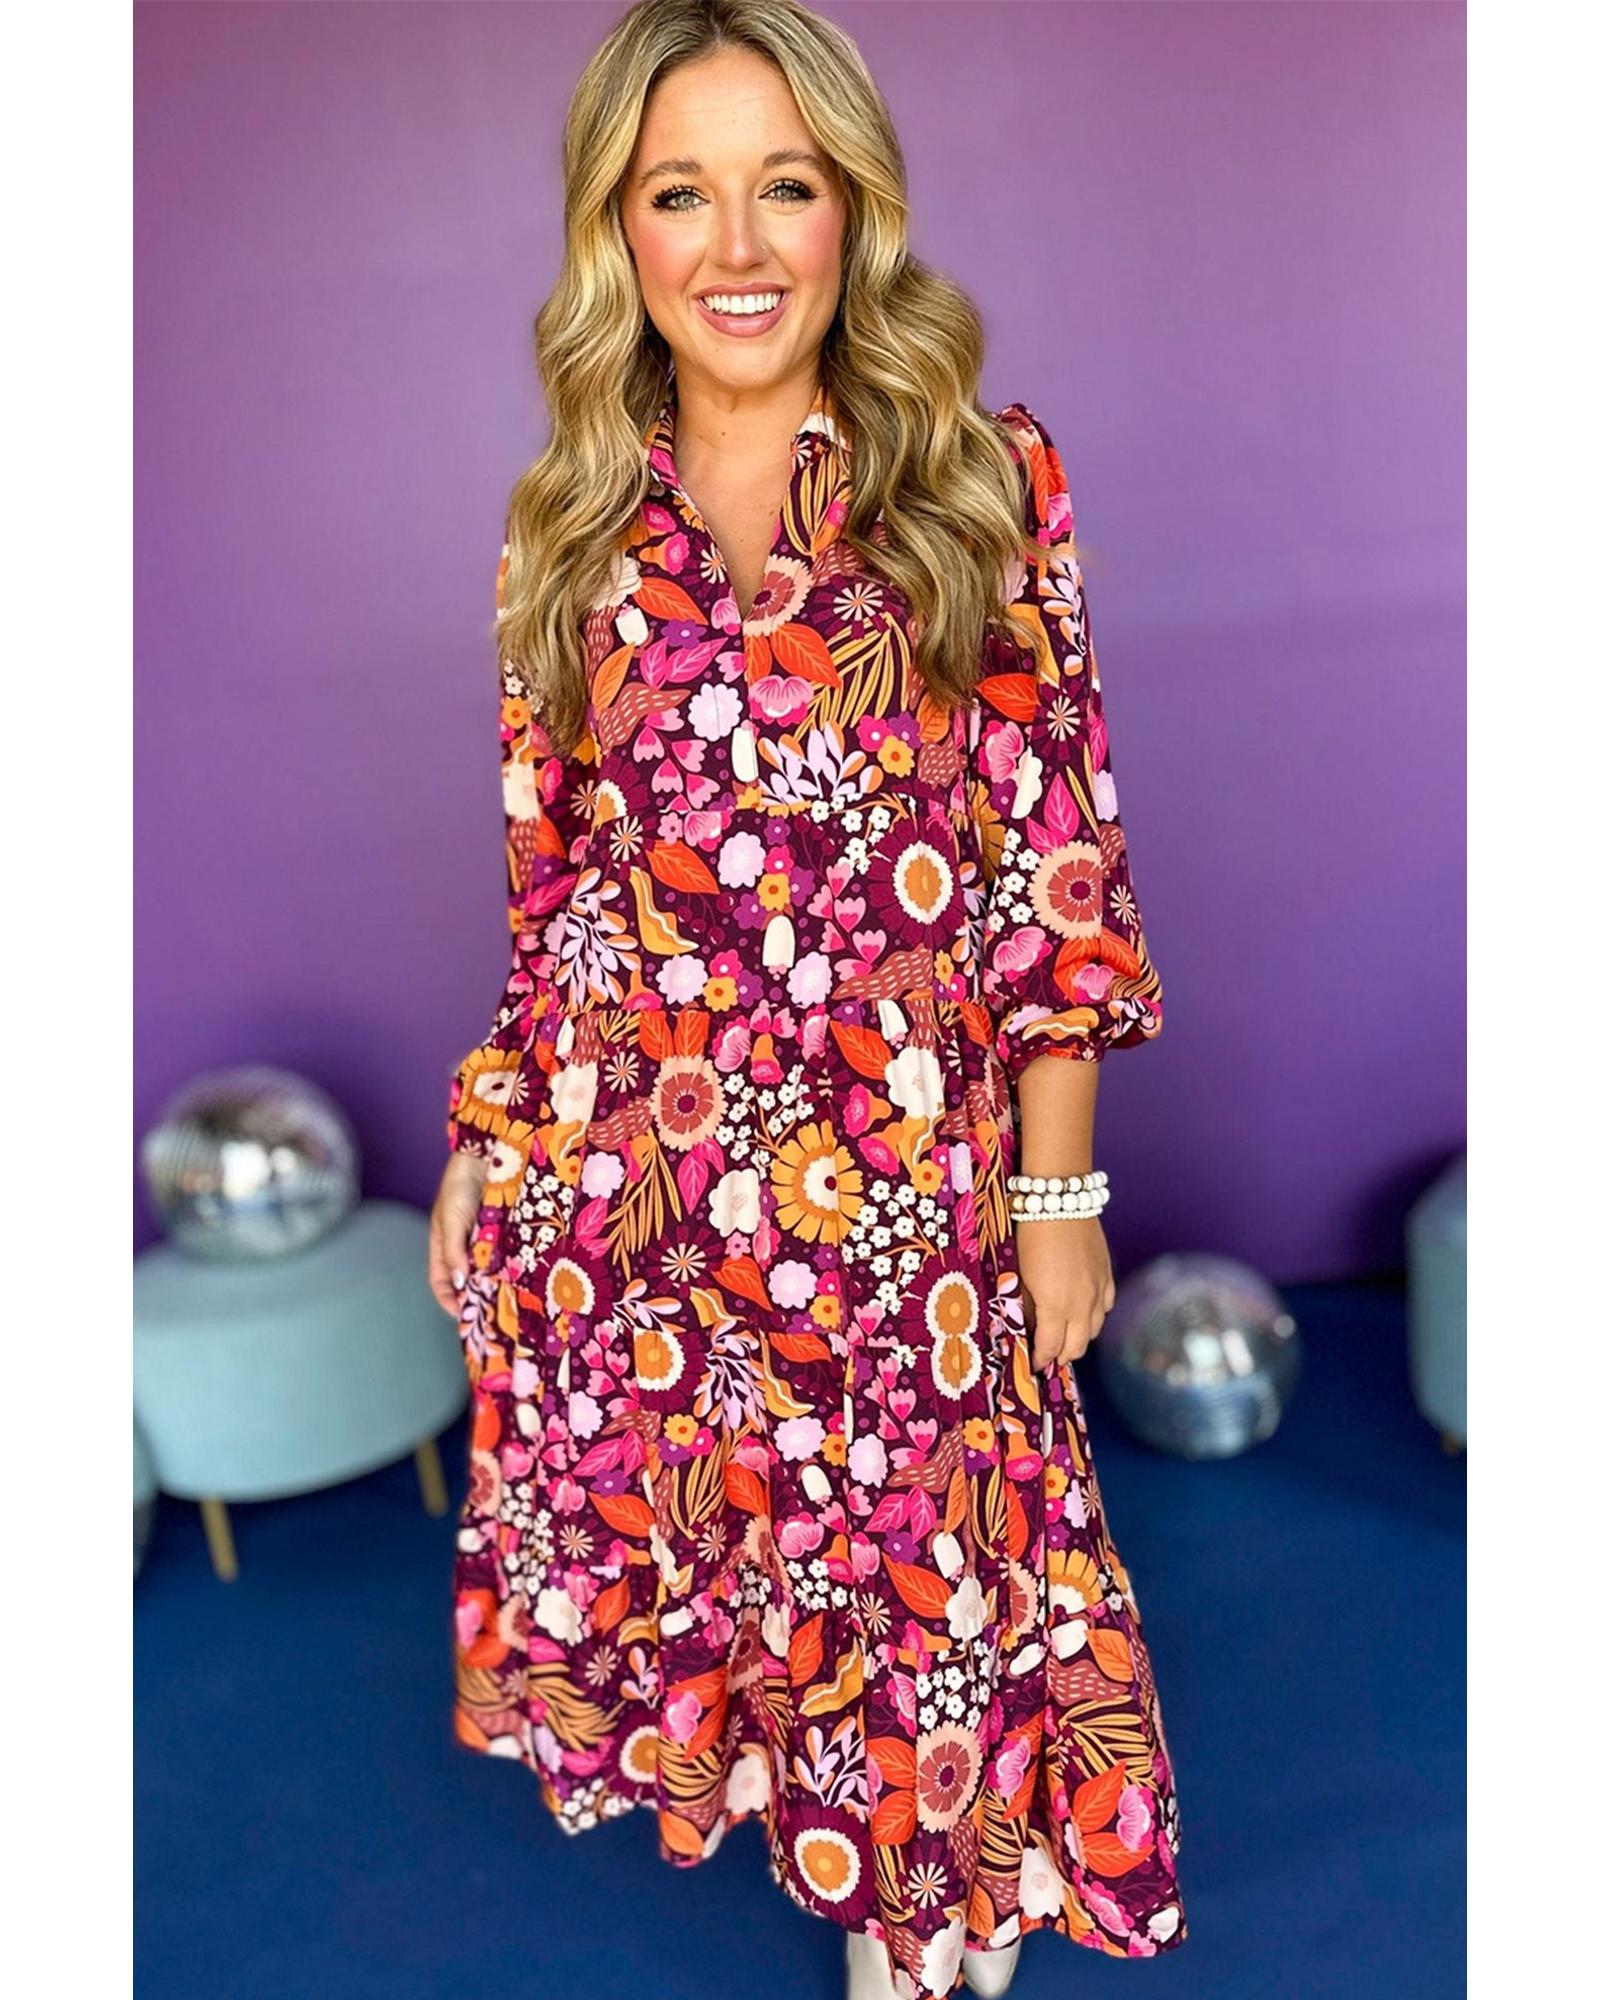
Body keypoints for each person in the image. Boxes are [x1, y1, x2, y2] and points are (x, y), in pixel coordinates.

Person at [427, 4, 1187, 1995]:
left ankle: (931, 1904)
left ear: (855, 208)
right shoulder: (563, 525)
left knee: (940, 1574)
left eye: (786, 183)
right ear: (618, 230)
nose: (739, 243)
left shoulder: (979, 477)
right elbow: (558, 896)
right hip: (653, 1207)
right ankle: (878, 1888)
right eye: (680, 193)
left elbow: (1051, 864)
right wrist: (492, 1134)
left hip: (907, 1201)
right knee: (747, 1583)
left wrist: (1056, 1193)